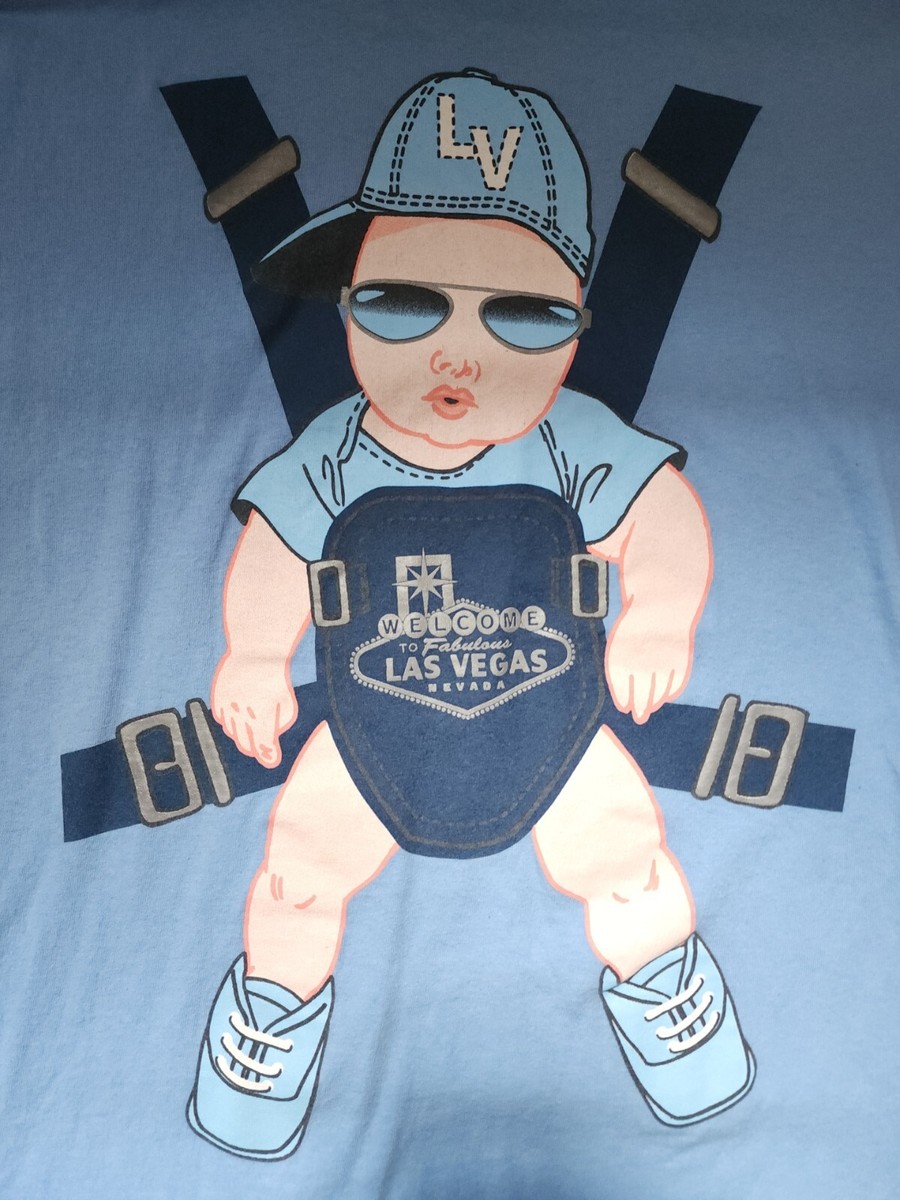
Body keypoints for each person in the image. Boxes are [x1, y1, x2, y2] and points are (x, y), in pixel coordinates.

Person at [187, 67, 755, 1161]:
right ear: (345, 303)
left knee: (626, 859)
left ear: (577, 331)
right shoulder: (338, 449)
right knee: (299, 869)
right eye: (403, 304)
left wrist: (660, 619)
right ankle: (271, 1020)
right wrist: (253, 653)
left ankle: (666, 993)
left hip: (554, 721)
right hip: (371, 728)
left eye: (521, 318)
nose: (456, 354)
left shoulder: (574, 438)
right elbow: (276, 550)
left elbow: (662, 516)